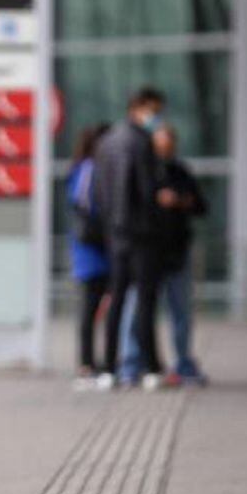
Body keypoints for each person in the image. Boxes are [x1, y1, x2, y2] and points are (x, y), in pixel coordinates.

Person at [118, 125, 208, 388]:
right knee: (136, 310)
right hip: (147, 253)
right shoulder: (142, 172)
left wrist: (180, 201)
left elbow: (201, 206)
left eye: (168, 147)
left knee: (180, 312)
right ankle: (131, 363)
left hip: (176, 253)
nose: (164, 152)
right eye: (160, 147)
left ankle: (183, 363)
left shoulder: (180, 172)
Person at [93, 87, 165, 388]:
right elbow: (148, 191)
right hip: (141, 235)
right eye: (155, 111)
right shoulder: (142, 142)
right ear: (140, 107)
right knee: (145, 301)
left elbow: (99, 191)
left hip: (115, 235)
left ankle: (109, 368)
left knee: (117, 299)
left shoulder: (106, 142)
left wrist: (110, 227)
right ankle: (151, 369)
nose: (157, 117)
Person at [66, 124, 111, 388]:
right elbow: (83, 206)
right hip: (91, 253)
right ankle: (86, 364)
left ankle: (97, 362)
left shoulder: (92, 168)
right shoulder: (88, 168)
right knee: (88, 310)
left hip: (99, 252)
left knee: (98, 310)